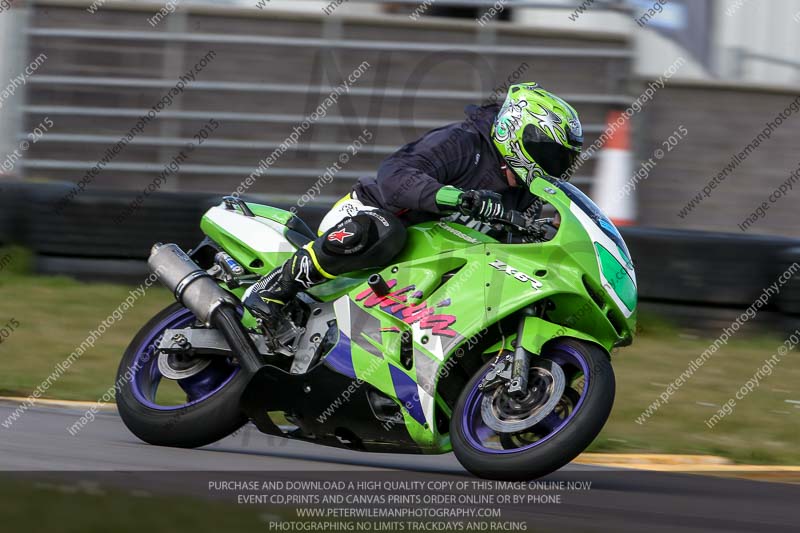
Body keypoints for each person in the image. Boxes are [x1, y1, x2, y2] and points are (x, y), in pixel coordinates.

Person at [243, 82, 583, 336]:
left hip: (424, 263)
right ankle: (272, 290)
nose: (553, 167)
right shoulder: (463, 144)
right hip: (370, 217)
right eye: (550, 153)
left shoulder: (523, 192)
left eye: (563, 160)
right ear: (517, 132)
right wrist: (453, 197)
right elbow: (395, 175)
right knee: (385, 231)